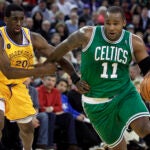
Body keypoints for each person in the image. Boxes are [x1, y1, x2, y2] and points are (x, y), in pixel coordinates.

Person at [46, 6, 150, 150]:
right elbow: (56, 53)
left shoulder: (134, 42)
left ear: (124, 23)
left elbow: (147, 69)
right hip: (95, 102)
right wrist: (74, 78)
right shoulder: (86, 34)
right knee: (120, 148)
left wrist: (143, 74)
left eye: (116, 23)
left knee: (145, 128)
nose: (111, 27)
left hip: (125, 93)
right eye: (108, 23)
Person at [0, 4, 89, 150]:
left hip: (18, 88)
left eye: (21, 19)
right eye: (14, 19)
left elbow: (57, 56)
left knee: (28, 128)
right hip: (0, 84)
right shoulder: (1, 38)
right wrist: (40, 70)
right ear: (6, 19)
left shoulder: (33, 38)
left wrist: (75, 78)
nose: (18, 23)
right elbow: (8, 71)